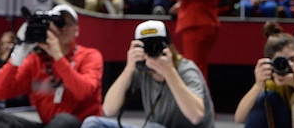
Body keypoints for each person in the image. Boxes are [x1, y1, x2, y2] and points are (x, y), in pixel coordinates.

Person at [0, 4, 103, 128]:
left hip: (80, 125)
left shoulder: (90, 56)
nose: (63, 28)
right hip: (49, 124)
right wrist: (18, 56)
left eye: (68, 24)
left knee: (63, 121)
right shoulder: (36, 60)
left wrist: (58, 56)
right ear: (49, 28)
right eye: (58, 23)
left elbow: (84, 93)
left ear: (77, 30)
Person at [80, 20, 214, 128]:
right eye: (147, 47)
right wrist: (128, 69)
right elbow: (108, 110)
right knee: (92, 123)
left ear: (169, 48)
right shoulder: (142, 68)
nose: (152, 51)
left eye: (156, 46)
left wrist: (169, 73)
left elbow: (196, 116)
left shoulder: (186, 69)